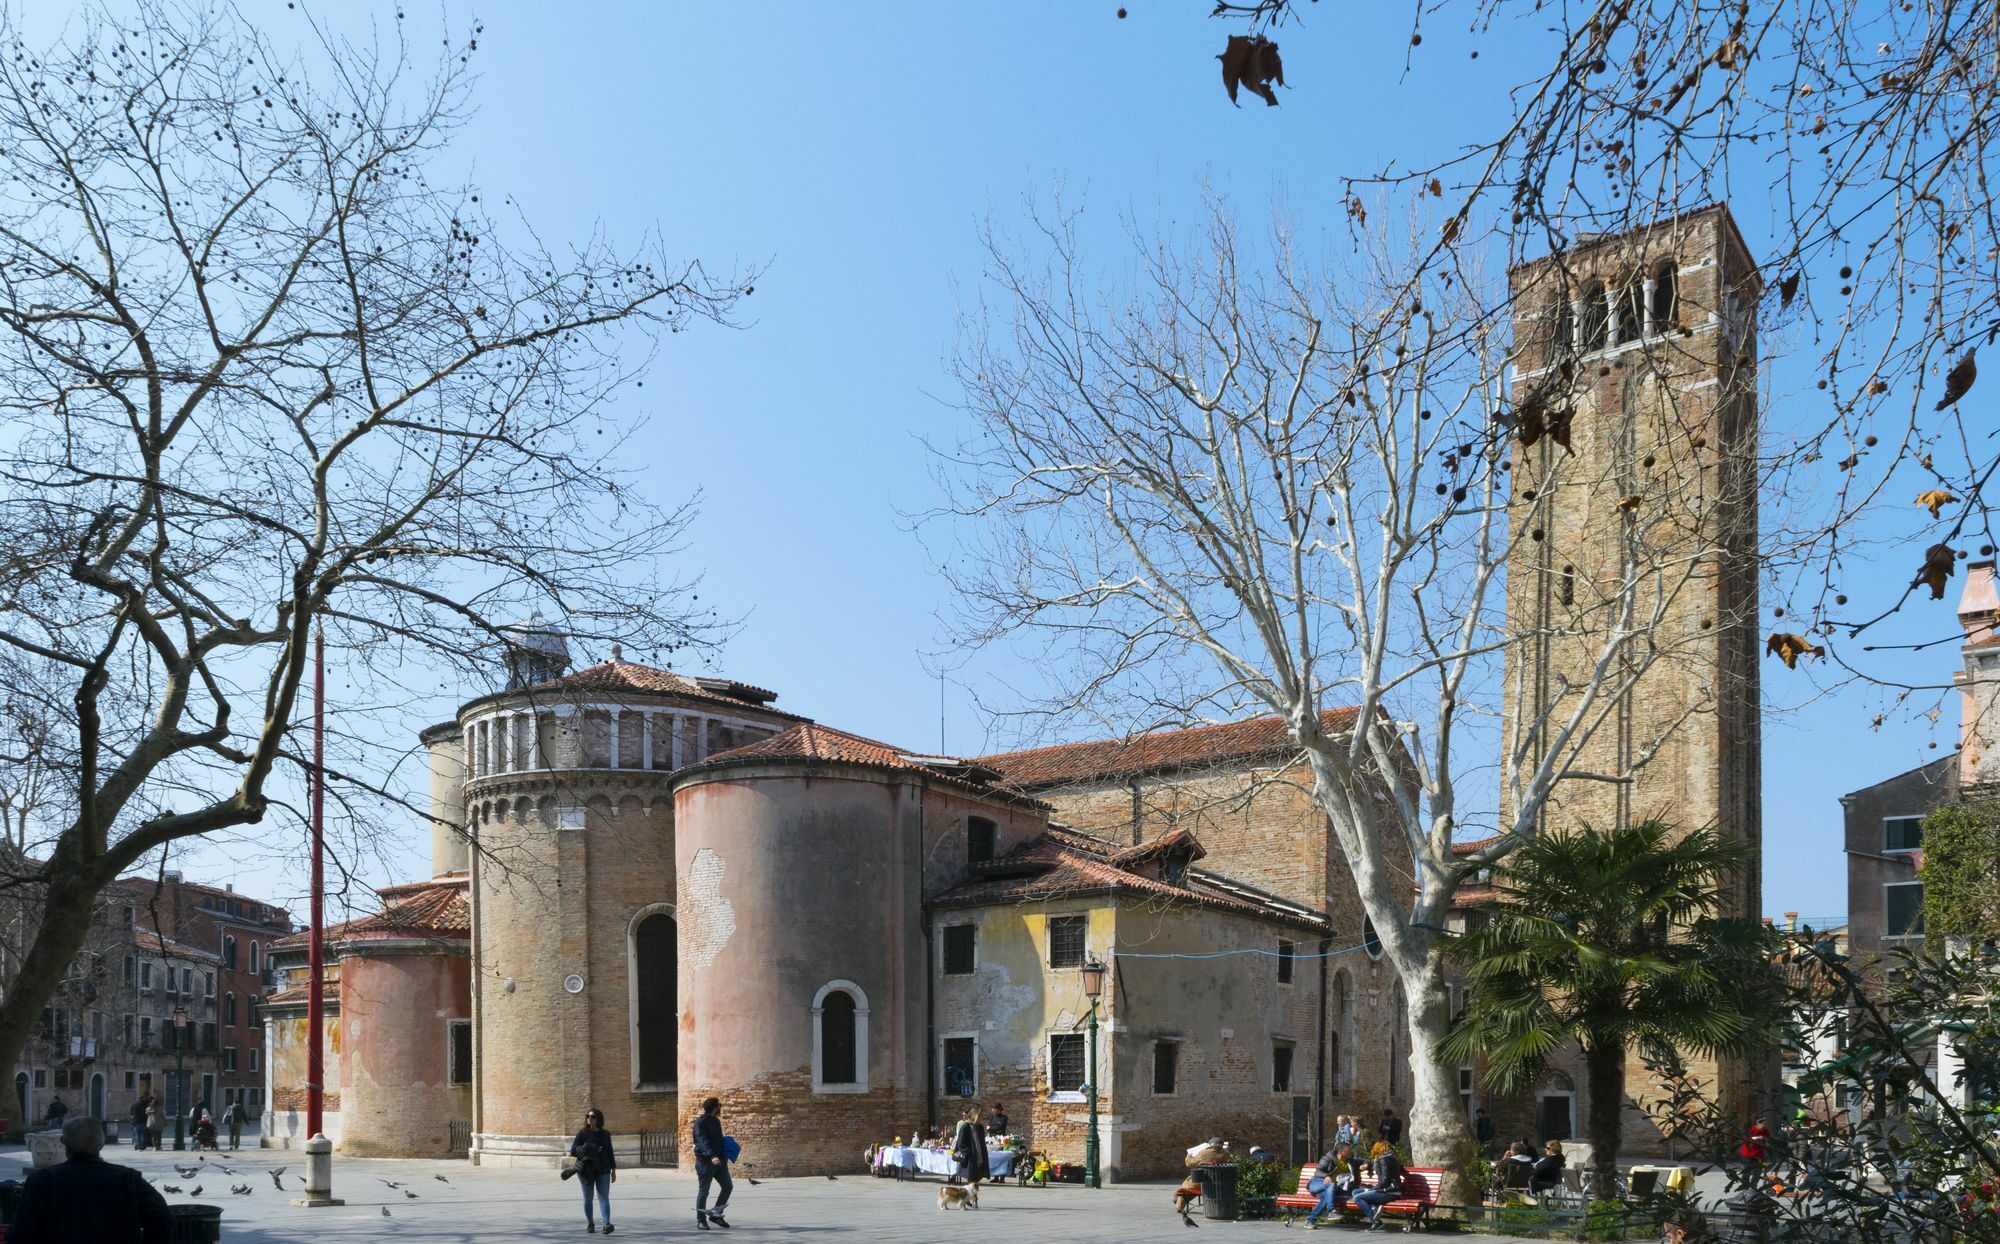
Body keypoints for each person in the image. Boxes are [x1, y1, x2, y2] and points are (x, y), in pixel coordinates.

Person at [8, 1117, 171, 1243]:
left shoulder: (43, 1180)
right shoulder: (127, 1179)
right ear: (101, 1144)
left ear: (64, 1143)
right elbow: (162, 1219)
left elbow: (22, 1231)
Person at [570, 1107, 617, 1234]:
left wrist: (613, 1170)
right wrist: (591, 1148)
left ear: (598, 1119)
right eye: (588, 1116)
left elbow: (610, 1152)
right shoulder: (583, 1133)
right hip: (586, 1170)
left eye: (592, 1116)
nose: (589, 1118)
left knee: (604, 1198)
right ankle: (590, 1223)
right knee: (588, 1198)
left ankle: (607, 1224)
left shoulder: (605, 1134)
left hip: (603, 1169)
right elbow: (573, 1151)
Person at [691, 1095, 733, 1230]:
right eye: (719, 1106)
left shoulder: (715, 1120)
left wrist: (726, 1152)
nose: (720, 1108)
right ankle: (701, 1221)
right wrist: (712, 1156)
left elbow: (718, 1140)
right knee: (704, 1192)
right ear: (714, 1108)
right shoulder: (700, 1122)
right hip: (705, 1162)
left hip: (720, 1162)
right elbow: (702, 1141)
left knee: (728, 1186)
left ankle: (716, 1214)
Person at [1352, 1141, 1407, 1231]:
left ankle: (1375, 1221)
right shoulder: (1392, 1159)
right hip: (1392, 1190)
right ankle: (1374, 1208)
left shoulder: (1383, 1160)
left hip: (1389, 1191)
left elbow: (1384, 1181)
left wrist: (1372, 1189)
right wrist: (1368, 1164)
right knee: (1355, 1192)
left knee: (1357, 1198)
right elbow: (1373, 1163)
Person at [1304, 1142, 1360, 1227]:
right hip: (1317, 1182)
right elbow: (1318, 1172)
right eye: (1348, 1149)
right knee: (1331, 1184)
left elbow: (1367, 1161)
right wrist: (1326, 1176)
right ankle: (1331, 1211)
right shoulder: (1328, 1158)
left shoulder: (1350, 1160)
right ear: (1341, 1151)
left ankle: (1310, 1220)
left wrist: (1367, 1165)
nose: (1350, 1151)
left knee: (1326, 1198)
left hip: (1332, 1188)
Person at [951, 1104, 990, 1194]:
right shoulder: (965, 1127)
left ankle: (967, 1196)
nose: (981, 1117)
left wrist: (984, 1154)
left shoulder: (980, 1127)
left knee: (976, 1178)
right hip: (970, 1158)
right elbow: (960, 1143)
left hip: (980, 1157)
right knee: (972, 1180)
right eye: (979, 1116)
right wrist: (969, 1153)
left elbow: (982, 1142)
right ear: (974, 1115)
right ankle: (973, 1199)